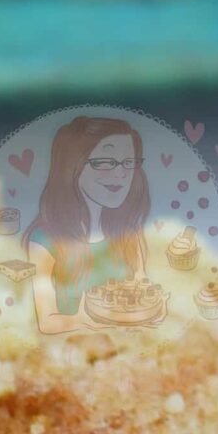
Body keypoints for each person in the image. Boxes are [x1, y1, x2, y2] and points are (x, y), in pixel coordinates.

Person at [25, 114, 151, 333]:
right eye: (104, 162)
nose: (121, 173)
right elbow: (46, 322)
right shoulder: (44, 243)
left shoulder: (130, 235)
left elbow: (144, 301)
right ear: (72, 167)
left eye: (128, 162)